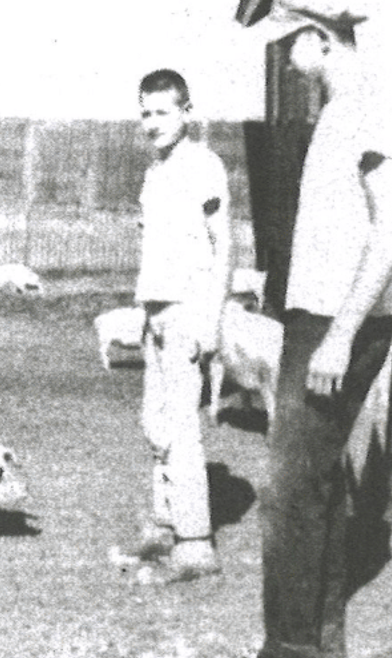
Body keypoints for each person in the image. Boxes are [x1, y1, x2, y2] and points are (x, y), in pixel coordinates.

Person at [248, 0, 392, 656]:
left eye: (288, 45)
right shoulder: (341, 111)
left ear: (318, 39)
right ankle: (317, 642)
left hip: (332, 325)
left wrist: (338, 337)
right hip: (318, 321)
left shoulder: (365, 109)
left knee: (288, 497)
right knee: (312, 489)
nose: (285, 60)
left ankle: (287, 649)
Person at [109, 68, 232, 583]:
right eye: (145, 112)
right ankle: (163, 529)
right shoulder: (155, 171)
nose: (151, 122)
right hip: (156, 311)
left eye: (162, 111)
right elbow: (153, 250)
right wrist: (142, 312)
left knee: (182, 430)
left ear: (187, 111)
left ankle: (195, 544)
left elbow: (224, 244)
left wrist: (211, 318)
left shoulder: (204, 164)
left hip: (188, 311)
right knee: (154, 424)